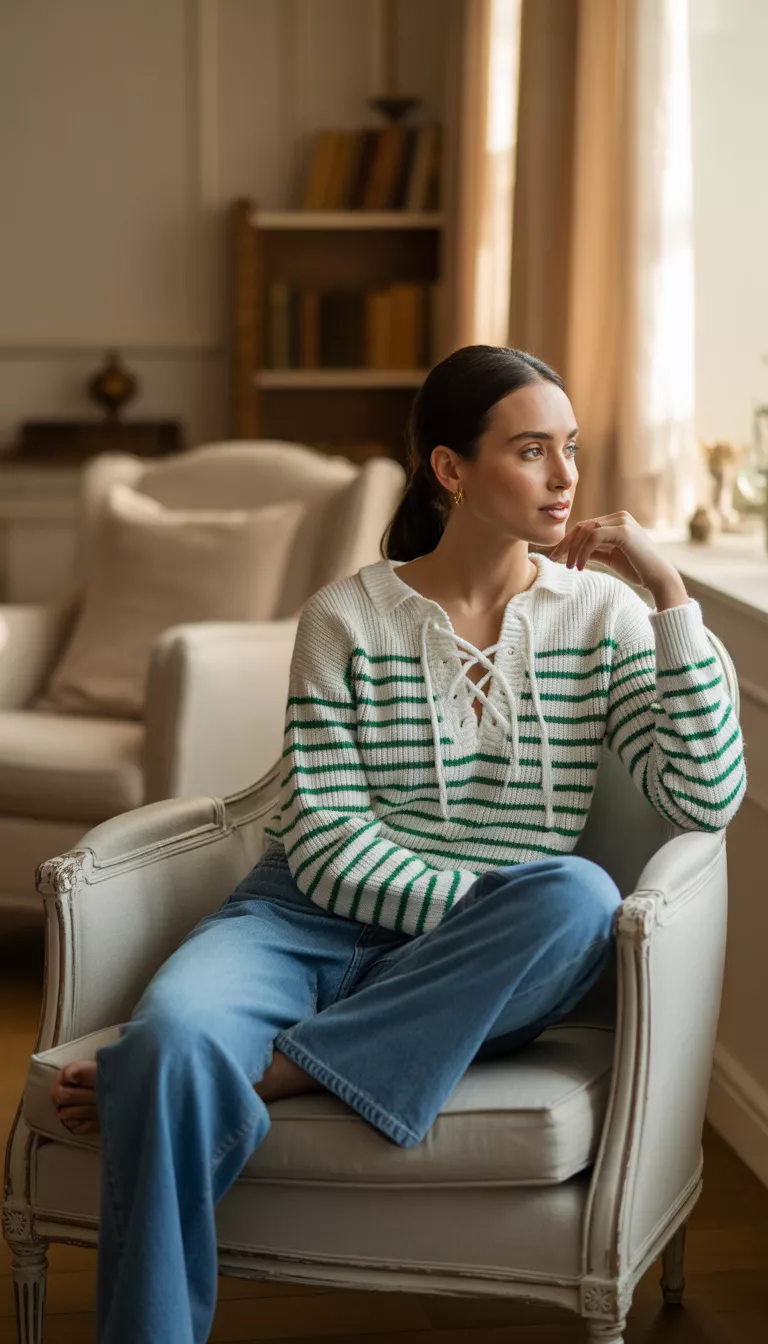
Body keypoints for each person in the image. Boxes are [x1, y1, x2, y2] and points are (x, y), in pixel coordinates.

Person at [49, 346, 746, 1344]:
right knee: (168, 1045)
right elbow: (327, 844)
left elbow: (704, 794)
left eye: (571, 449)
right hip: (300, 923)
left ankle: (277, 1072)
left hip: (486, 955)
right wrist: (478, 916)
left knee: (578, 897)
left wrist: (671, 597)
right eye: (532, 450)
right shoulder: (347, 617)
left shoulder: (604, 617)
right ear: (451, 468)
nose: (564, 477)